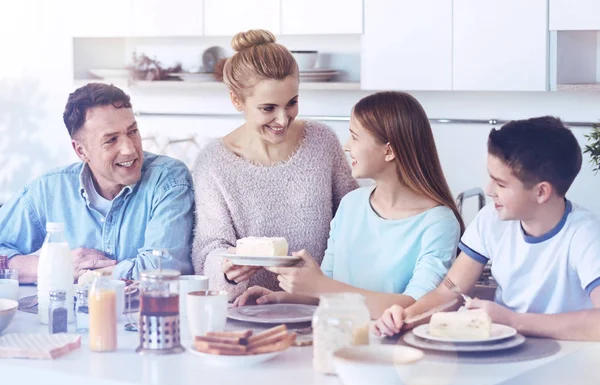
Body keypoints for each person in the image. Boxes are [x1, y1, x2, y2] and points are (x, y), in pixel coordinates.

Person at [235, 91, 464, 318]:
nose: (346, 146)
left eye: (354, 137)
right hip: (338, 338)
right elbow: (328, 290)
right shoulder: (351, 204)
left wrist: (320, 286)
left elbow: (414, 307)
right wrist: (280, 299)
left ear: (389, 150)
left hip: (393, 350)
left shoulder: (438, 222)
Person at [374, 116, 600, 341]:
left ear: (541, 192)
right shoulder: (490, 220)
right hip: (508, 351)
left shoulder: (584, 235)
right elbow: (449, 291)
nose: (489, 190)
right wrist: (405, 316)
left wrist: (514, 320)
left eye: (501, 184)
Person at [191, 29, 357, 301]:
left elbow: (354, 222)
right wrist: (226, 268)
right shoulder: (214, 163)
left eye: (292, 103)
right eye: (268, 108)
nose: (282, 119)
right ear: (236, 100)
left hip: (321, 308)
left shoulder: (322, 142)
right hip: (248, 311)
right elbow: (209, 249)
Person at [0, 83, 194, 282]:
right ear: (81, 151)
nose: (129, 149)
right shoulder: (50, 189)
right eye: (111, 140)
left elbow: (161, 269)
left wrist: (90, 275)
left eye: (132, 132)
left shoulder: (168, 180)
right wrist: (54, 265)